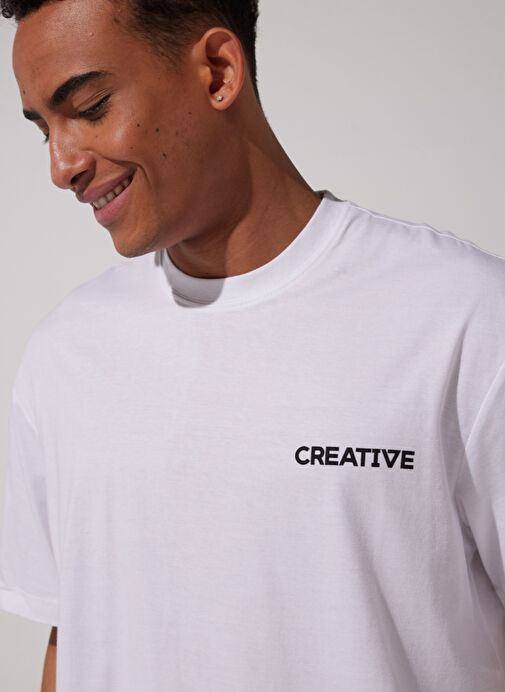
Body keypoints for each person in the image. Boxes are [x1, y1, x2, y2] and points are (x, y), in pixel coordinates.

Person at [1, 0, 505, 690]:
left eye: (89, 108)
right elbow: (75, 639)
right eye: (43, 130)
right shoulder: (65, 355)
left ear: (217, 72)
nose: (61, 166)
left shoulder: (464, 319)